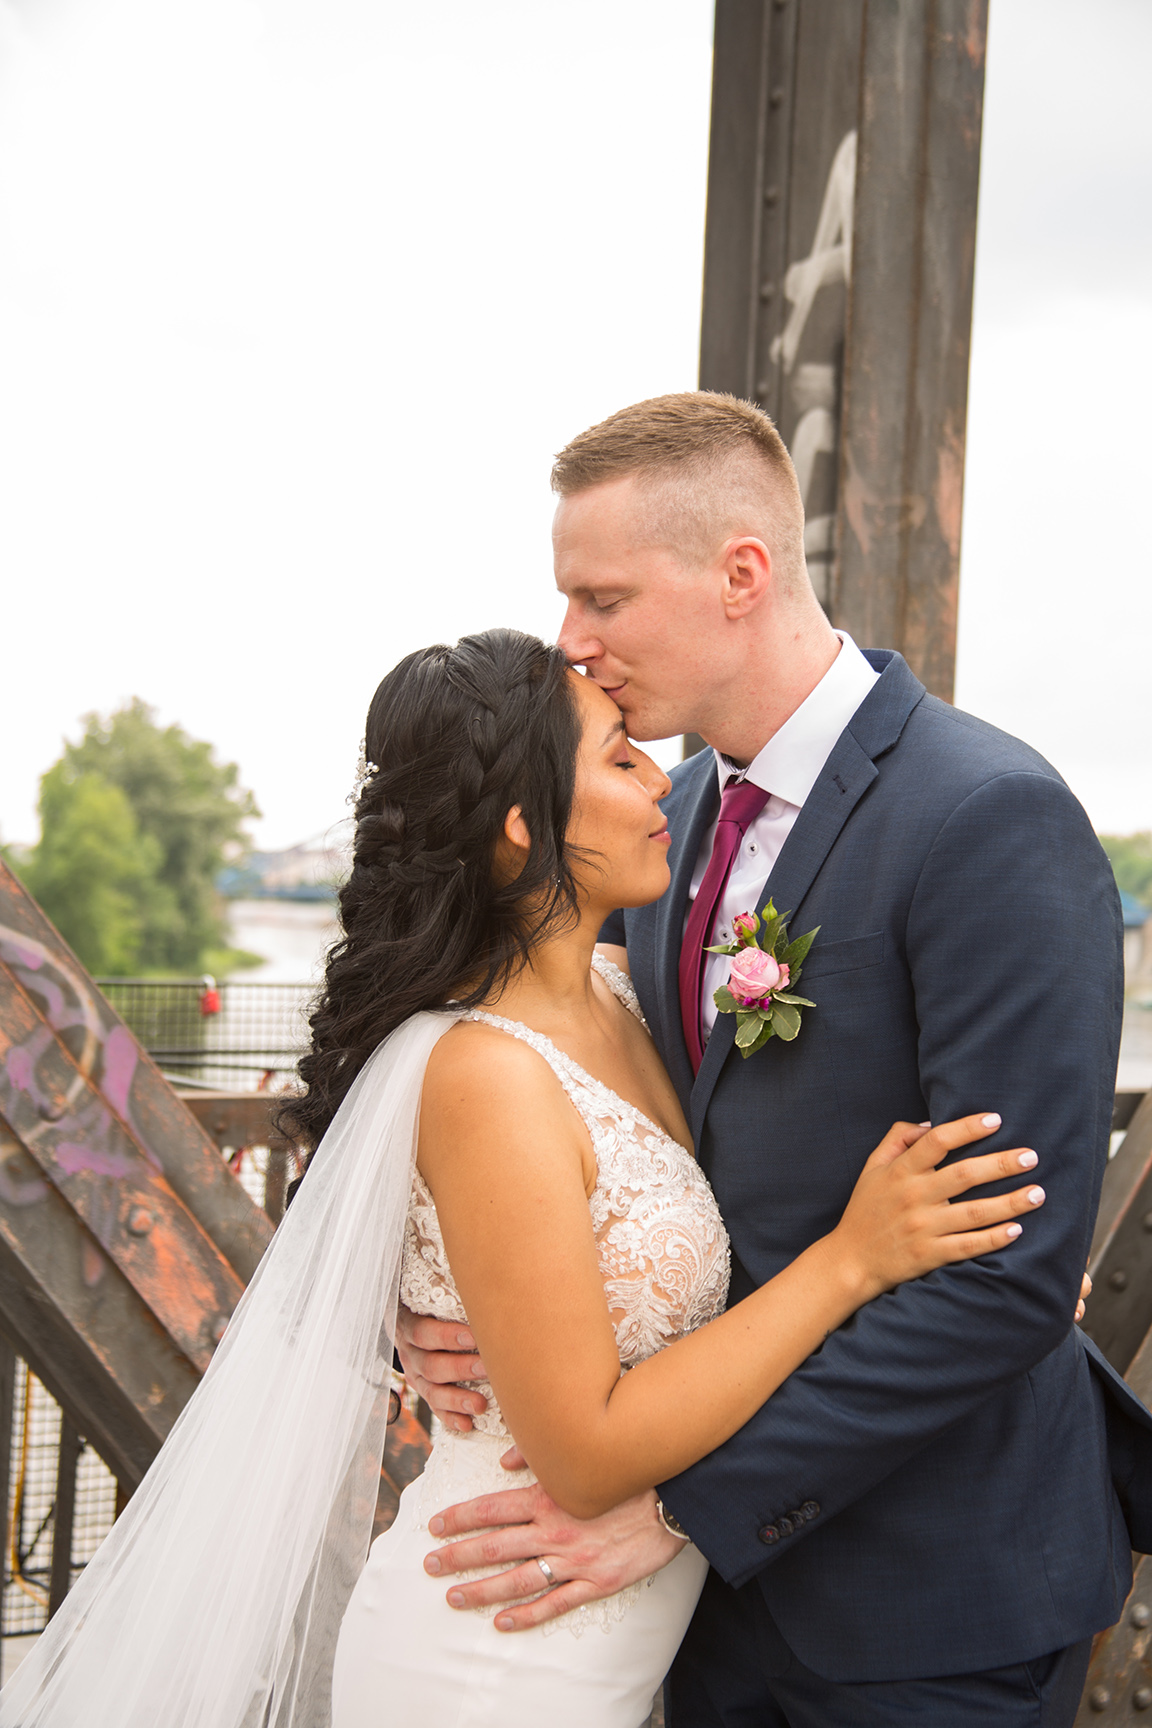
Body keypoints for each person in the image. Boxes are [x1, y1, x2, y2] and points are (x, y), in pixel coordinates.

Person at [0, 630, 1052, 1728]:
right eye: (619, 757)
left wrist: (985, 1258)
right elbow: (586, 1456)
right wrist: (854, 1262)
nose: (663, 779)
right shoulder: (484, 1073)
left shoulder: (631, 993)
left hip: (619, 1646)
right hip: (494, 1652)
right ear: (520, 826)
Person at [398, 394, 1152, 1728]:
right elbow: (516, 1085)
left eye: (604, 598)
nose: (572, 641)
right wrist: (423, 1310)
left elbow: (1010, 1276)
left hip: (930, 1601)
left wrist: (687, 1509)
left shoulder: (988, 817)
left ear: (741, 573)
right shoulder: (654, 823)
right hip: (699, 1623)